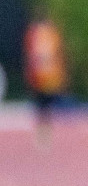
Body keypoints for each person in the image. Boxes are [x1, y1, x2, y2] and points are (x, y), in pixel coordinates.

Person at [24, 13, 68, 144]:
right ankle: (44, 132)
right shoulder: (46, 35)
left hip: (46, 76)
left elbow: (57, 55)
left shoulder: (41, 34)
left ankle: (43, 133)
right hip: (45, 76)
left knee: (44, 107)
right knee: (43, 106)